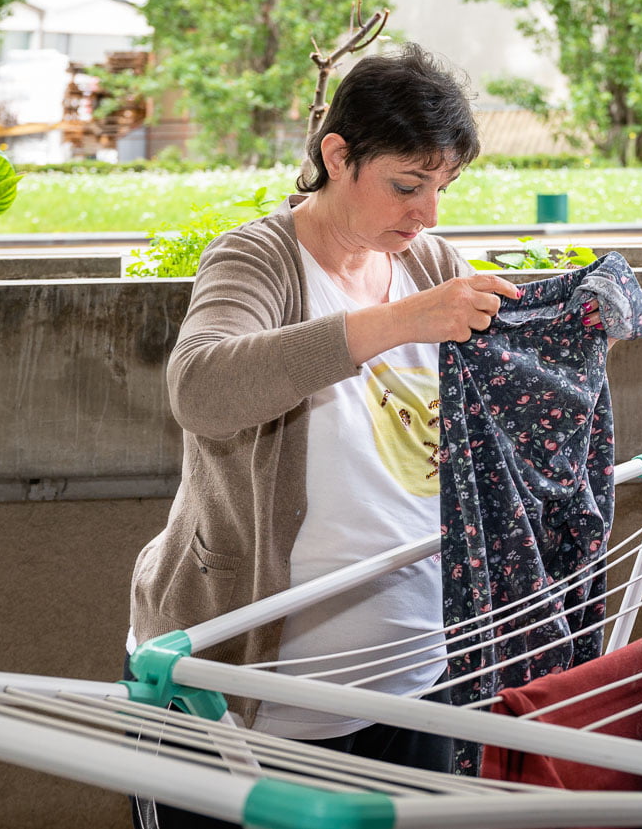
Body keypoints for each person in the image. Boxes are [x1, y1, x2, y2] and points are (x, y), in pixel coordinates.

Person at [126, 45, 523, 828]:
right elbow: (199, 389)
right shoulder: (258, 258)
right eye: (407, 185)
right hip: (243, 700)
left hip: (416, 684)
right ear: (337, 155)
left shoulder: (430, 262)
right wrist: (397, 322)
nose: (429, 213)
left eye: (441, 188)